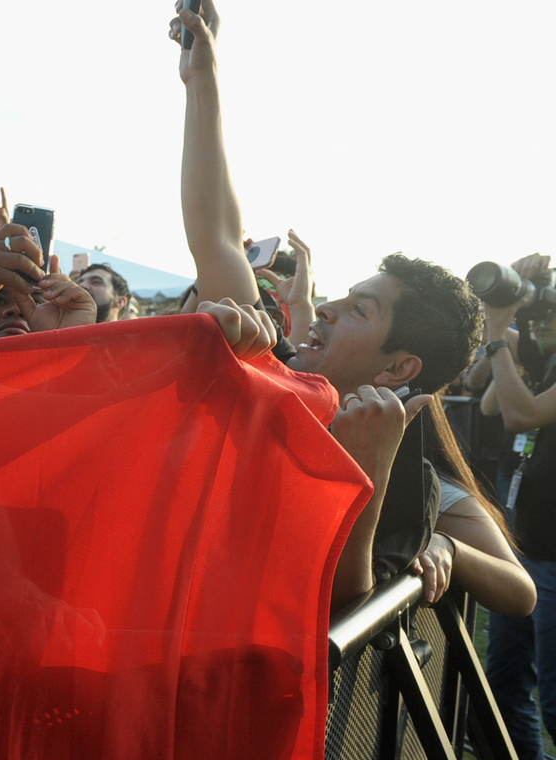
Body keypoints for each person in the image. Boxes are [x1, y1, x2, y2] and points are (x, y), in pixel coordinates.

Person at [173, 0, 482, 611]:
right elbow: (215, 233)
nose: (326, 308)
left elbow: (347, 608)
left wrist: (365, 476)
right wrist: (201, 80)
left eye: (362, 310)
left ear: (398, 370)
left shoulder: (407, 481)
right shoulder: (267, 367)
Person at [476, 253, 556, 760]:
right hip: (525, 546)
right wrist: (510, 339)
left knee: (553, 701)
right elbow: (488, 403)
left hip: (554, 556)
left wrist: (500, 335)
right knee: (507, 684)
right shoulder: (543, 359)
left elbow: (520, 416)